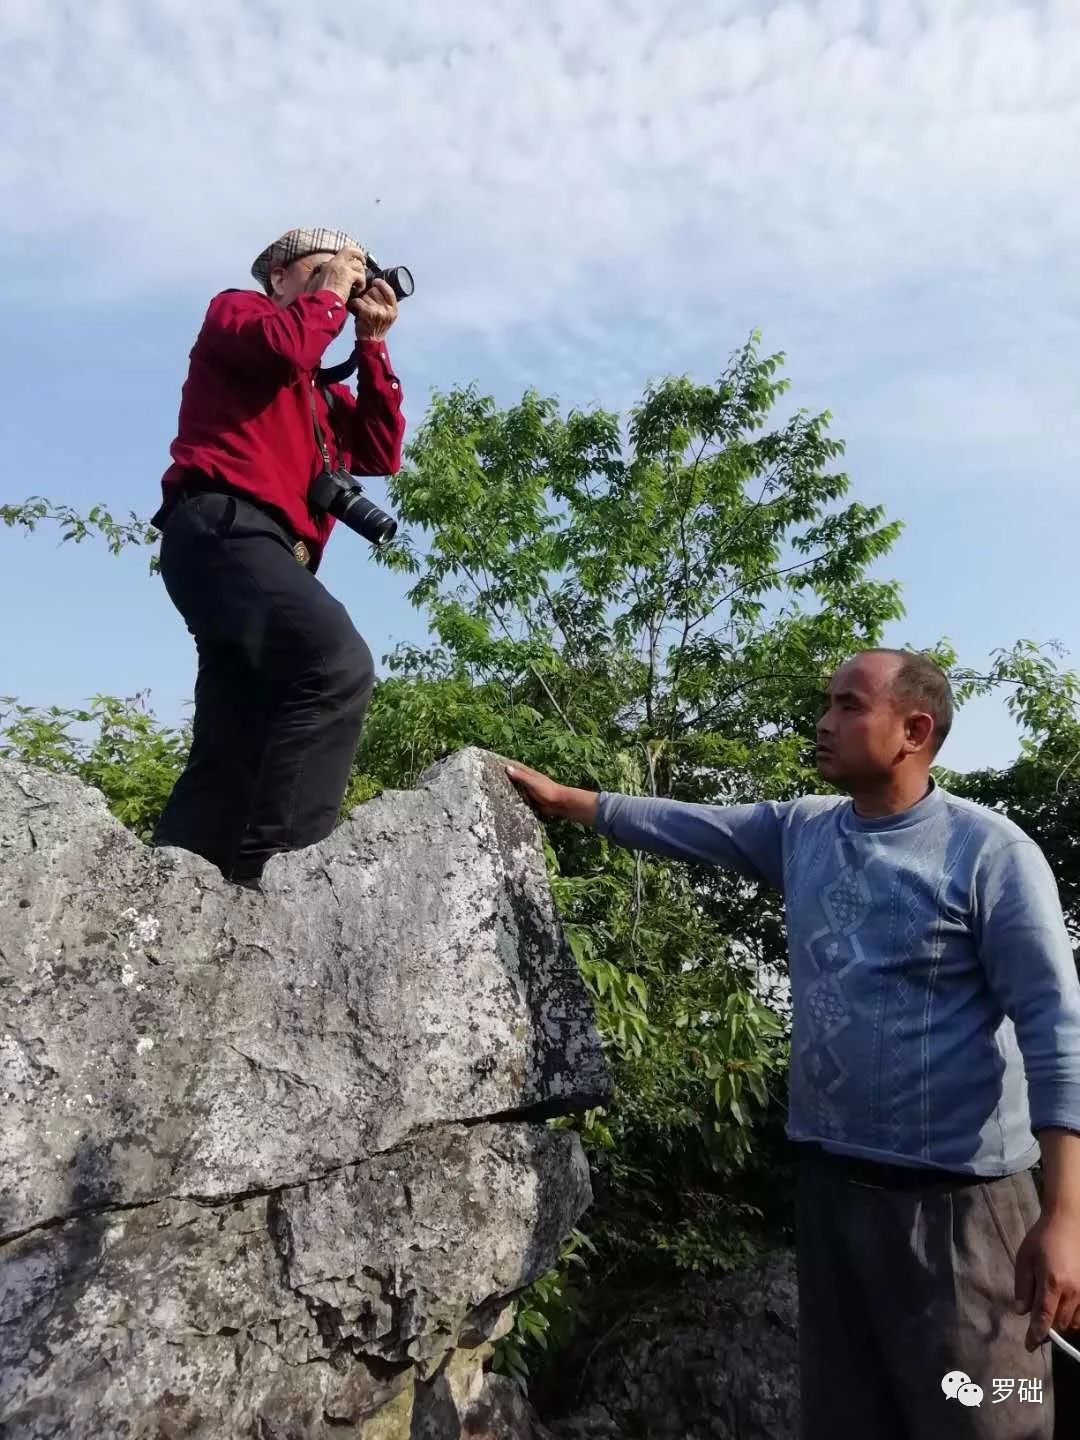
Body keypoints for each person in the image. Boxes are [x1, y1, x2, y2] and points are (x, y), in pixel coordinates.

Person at [506, 649, 1080, 1439]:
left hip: (960, 1211)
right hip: (832, 1192)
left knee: (982, 1416)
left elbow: (1056, 1027)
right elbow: (692, 827)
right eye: (827, 702)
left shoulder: (989, 853)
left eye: (848, 705)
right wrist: (568, 800)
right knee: (847, 1417)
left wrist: (1064, 1215)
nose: (822, 722)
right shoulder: (806, 830)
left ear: (915, 729)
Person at [149, 227, 405, 887]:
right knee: (335, 664)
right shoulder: (239, 313)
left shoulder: (317, 392)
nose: (342, 287)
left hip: (263, 557)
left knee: (236, 743)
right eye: (330, 270)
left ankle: (178, 892)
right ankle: (284, 885)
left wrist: (371, 343)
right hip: (223, 527)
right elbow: (287, 345)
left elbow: (379, 450)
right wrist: (327, 298)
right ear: (282, 275)